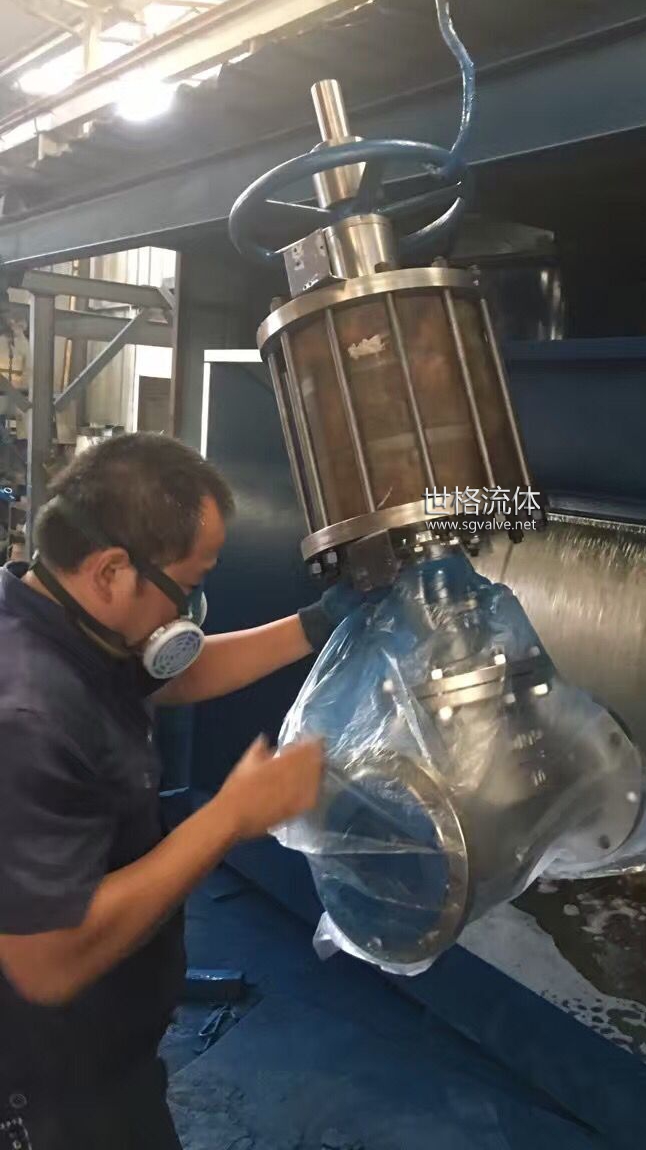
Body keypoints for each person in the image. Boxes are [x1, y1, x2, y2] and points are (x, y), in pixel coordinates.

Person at [0, 433, 342, 1149]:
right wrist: (229, 818)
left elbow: (167, 675)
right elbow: (45, 961)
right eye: (189, 584)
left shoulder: (63, 618)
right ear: (111, 570)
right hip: (49, 1093)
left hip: (111, 1058)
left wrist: (316, 625)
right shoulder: (28, 715)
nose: (191, 608)